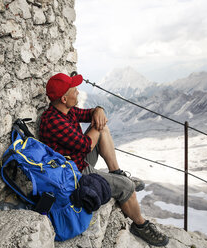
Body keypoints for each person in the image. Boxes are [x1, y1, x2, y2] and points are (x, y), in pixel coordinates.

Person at [39, 73, 169, 247]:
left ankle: (116, 172)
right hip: (75, 171)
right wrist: (97, 126)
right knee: (127, 187)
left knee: (101, 127)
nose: (78, 92)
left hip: (77, 158)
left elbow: (88, 113)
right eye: (74, 90)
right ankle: (140, 225)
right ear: (63, 98)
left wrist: (98, 110)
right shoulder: (54, 121)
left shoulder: (65, 111)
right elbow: (86, 146)